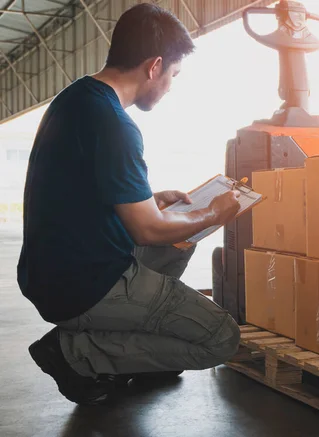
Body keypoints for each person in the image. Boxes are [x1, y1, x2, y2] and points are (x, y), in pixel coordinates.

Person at [17, 3, 242, 406]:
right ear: (155, 66)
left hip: (50, 275)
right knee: (221, 338)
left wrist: (150, 201)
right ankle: (75, 355)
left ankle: (131, 349)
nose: (171, 85)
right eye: (173, 74)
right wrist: (215, 213)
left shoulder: (77, 100)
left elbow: (82, 193)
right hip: (85, 286)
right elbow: (148, 230)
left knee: (180, 238)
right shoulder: (115, 124)